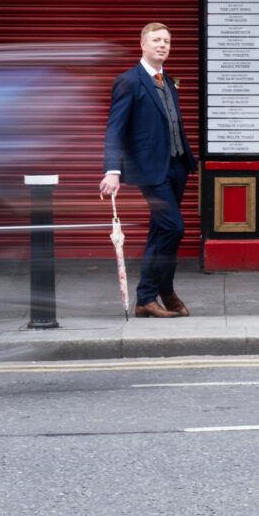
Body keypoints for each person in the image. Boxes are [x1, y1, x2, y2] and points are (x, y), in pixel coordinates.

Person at [99, 22, 197, 318]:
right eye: (156, 40)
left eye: (167, 40)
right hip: (150, 168)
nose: (162, 45)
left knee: (160, 230)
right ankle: (156, 291)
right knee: (173, 227)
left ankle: (153, 295)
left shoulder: (167, 80)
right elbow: (114, 128)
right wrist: (112, 170)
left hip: (176, 165)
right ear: (142, 44)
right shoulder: (129, 80)